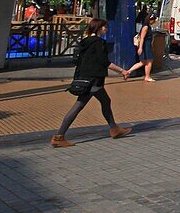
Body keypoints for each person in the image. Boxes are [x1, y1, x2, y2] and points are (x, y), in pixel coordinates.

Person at [51, 19, 132, 147]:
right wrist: (122, 71)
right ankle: (59, 136)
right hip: (93, 80)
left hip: (85, 78)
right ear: (98, 28)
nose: (106, 29)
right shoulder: (99, 43)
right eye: (105, 27)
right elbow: (104, 62)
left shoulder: (86, 42)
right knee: (79, 105)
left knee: (105, 101)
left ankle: (114, 128)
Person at [124, 13, 158, 82]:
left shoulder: (147, 26)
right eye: (154, 20)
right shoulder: (146, 27)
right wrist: (141, 48)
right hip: (146, 46)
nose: (154, 22)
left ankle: (128, 72)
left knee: (143, 62)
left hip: (146, 45)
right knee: (149, 61)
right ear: (150, 20)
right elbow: (142, 38)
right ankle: (147, 77)